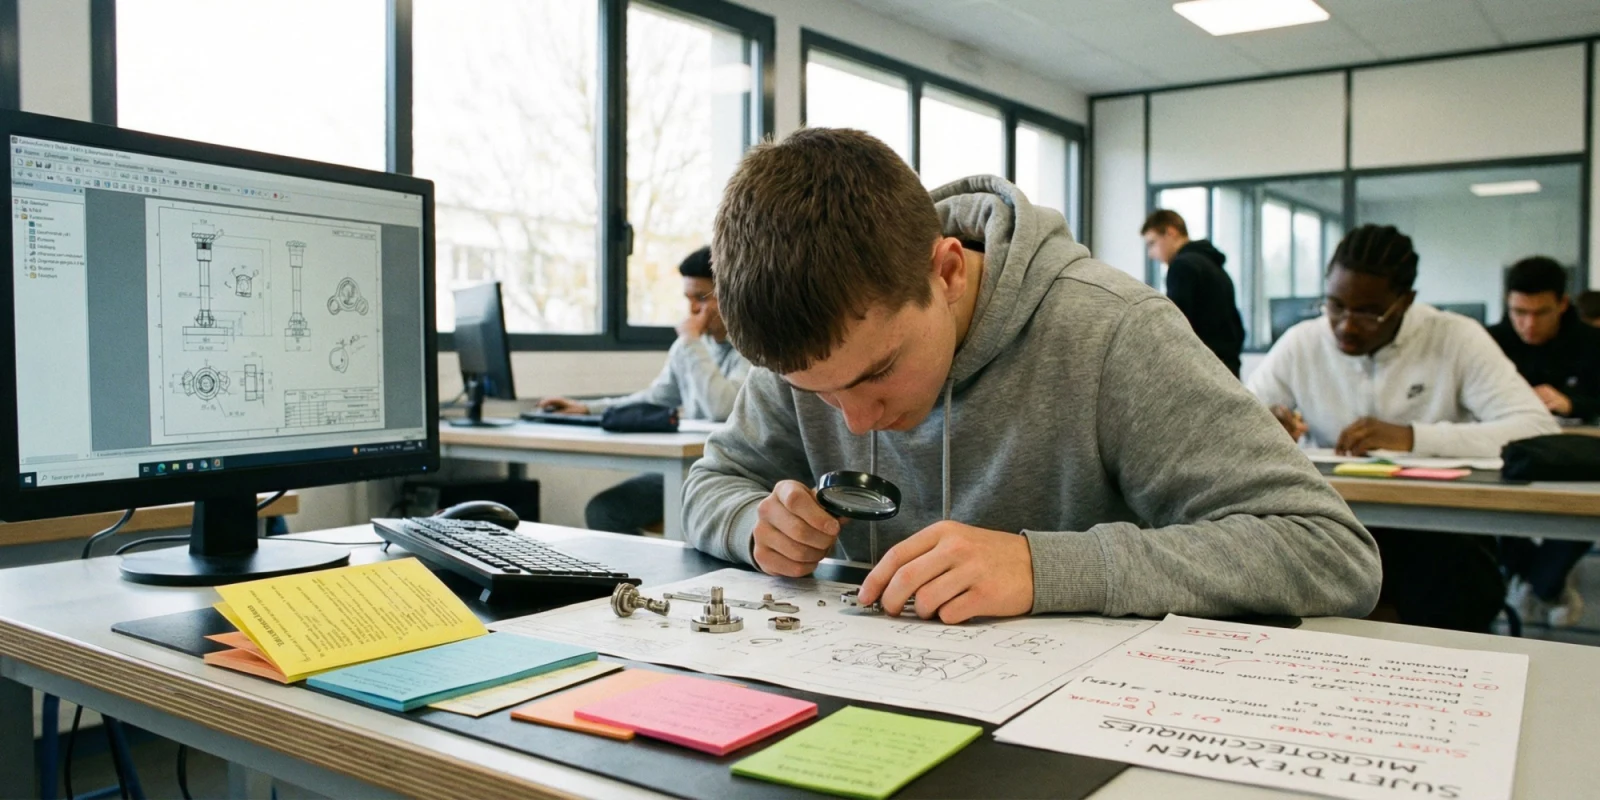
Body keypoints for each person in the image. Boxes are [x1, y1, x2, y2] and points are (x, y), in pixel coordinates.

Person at [683, 127, 1380, 625]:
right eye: (816, 395)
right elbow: (710, 483)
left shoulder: (1115, 332)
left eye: (878, 373)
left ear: (948, 271)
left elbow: (1329, 551)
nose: (855, 421)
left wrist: (1041, 568)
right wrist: (752, 523)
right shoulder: (807, 339)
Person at [1247, 225, 1561, 632]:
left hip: (1437, 530)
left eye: (1368, 311)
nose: (1345, 325)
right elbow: (1235, 423)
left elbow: (1538, 430)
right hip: (1334, 526)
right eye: (1335, 306)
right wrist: (1266, 425)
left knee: (1441, 578)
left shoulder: (1455, 338)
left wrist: (1413, 437)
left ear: (1405, 301)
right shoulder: (1302, 342)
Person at [540, 246, 750, 533]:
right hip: (687, 469)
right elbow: (655, 399)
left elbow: (722, 407)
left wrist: (690, 343)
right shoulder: (691, 347)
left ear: (732, 293)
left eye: (701, 298)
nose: (692, 310)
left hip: (731, 475)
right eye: (687, 299)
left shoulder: (752, 347)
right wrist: (588, 408)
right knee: (604, 511)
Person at [1487, 255, 1597, 627]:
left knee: (1585, 512)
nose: (1528, 324)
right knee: (1491, 512)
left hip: (1576, 458)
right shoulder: (1489, 342)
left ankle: (1541, 584)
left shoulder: (1591, 342)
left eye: (1540, 313)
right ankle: (1539, 584)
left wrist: (1572, 402)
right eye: (1519, 312)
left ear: (1563, 304)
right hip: (1505, 456)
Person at [1141, 209, 1246, 376]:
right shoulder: (1213, 265)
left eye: (1152, 243)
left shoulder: (1182, 267)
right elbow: (1237, 328)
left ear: (1171, 232)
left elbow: (1174, 326)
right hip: (1227, 370)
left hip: (1203, 374)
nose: (1151, 254)